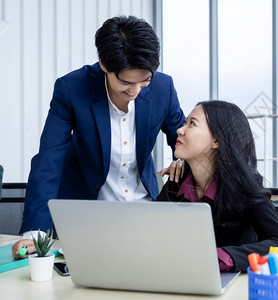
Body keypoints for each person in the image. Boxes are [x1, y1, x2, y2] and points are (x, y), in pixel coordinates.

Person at [12, 15, 185, 258]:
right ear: (104, 64)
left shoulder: (163, 87)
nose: (135, 90)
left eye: (144, 80)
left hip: (145, 214)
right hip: (88, 216)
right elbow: (48, 160)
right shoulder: (73, 88)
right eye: (126, 82)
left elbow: (182, 136)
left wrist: (182, 159)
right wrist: (36, 232)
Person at [156, 100, 278, 272]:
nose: (180, 130)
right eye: (184, 122)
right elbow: (153, 232)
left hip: (232, 284)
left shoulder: (244, 188)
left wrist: (220, 257)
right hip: (178, 275)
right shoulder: (175, 182)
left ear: (216, 140)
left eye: (192, 124)